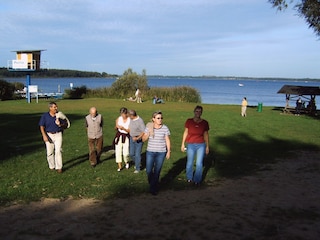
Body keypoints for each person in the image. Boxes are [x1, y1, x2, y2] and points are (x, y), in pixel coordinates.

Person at [142, 111, 171, 195]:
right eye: (158, 118)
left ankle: (153, 188)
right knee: (148, 170)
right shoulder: (149, 127)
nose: (160, 120)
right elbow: (143, 139)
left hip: (161, 152)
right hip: (150, 152)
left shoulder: (165, 128)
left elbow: (167, 140)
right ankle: (153, 183)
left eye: (161, 118)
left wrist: (168, 151)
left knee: (157, 171)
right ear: (153, 119)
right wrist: (147, 134)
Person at [181, 105, 209, 185]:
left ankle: (197, 179)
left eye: (200, 112)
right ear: (194, 112)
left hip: (201, 145)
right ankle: (189, 178)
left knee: (199, 163)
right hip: (191, 144)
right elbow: (185, 132)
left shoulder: (204, 123)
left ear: (201, 113)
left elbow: (206, 134)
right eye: (197, 111)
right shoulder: (189, 121)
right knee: (190, 162)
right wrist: (183, 143)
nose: (198, 113)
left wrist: (207, 146)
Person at [39, 102, 69, 173]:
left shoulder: (59, 115)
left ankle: (59, 167)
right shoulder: (45, 116)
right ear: (50, 108)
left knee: (58, 151)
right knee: (49, 152)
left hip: (58, 134)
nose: (56, 108)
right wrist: (44, 136)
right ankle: (52, 166)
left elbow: (66, 125)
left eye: (56, 107)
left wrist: (60, 124)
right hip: (49, 135)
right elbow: (41, 126)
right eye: (54, 107)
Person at [114, 107, 131, 171]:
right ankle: (120, 166)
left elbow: (129, 131)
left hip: (126, 136)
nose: (122, 115)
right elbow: (115, 127)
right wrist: (117, 127)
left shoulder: (129, 120)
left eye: (123, 114)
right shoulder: (119, 119)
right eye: (121, 114)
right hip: (119, 135)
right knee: (118, 151)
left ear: (126, 114)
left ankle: (127, 162)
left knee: (125, 153)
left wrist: (123, 128)